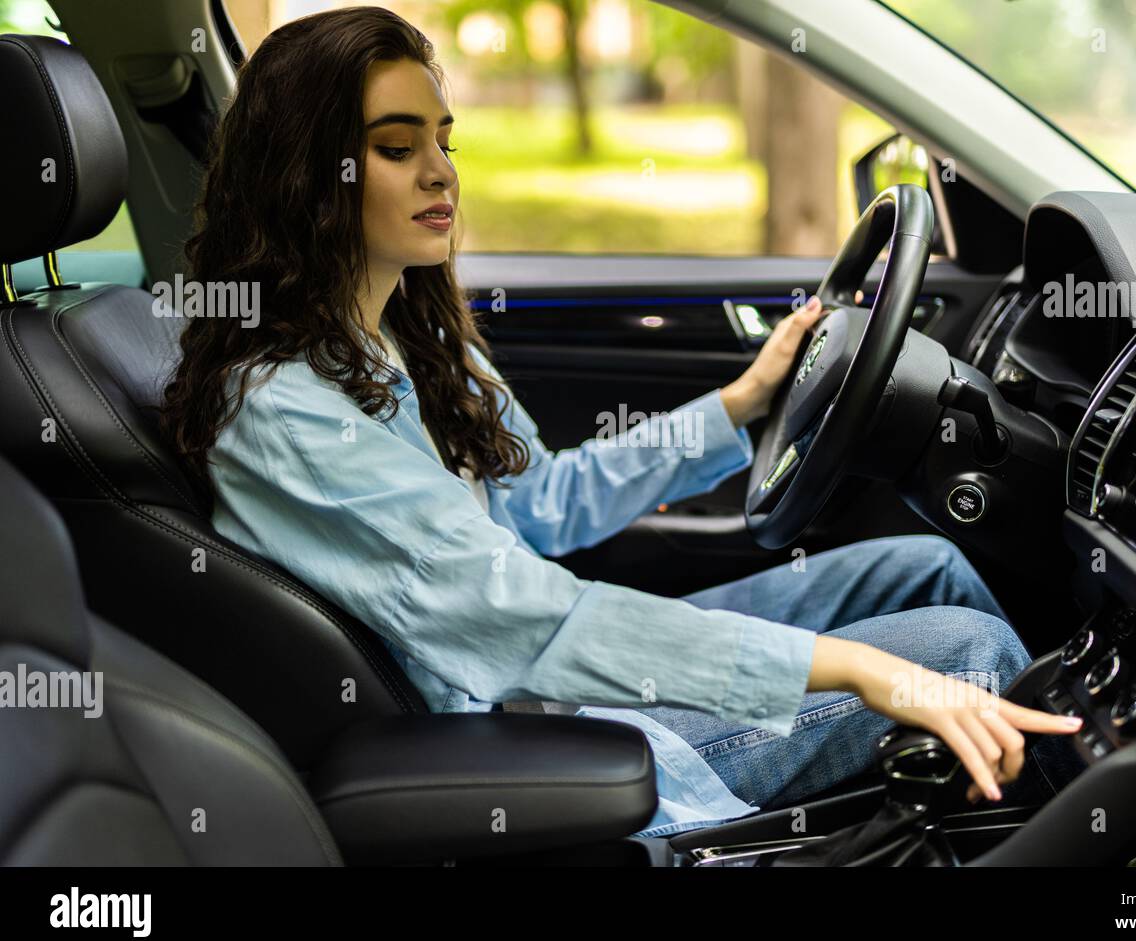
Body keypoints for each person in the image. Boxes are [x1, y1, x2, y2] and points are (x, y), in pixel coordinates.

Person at [159, 6, 1081, 839]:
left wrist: (742, 402)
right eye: (398, 148)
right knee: (965, 656)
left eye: (444, 139)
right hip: (527, 730)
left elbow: (547, 499)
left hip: (546, 679)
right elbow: (521, 616)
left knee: (929, 565)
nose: (441, 170)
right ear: (310, 177)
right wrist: (864, 671)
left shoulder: (404, 333)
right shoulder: (280, 409)